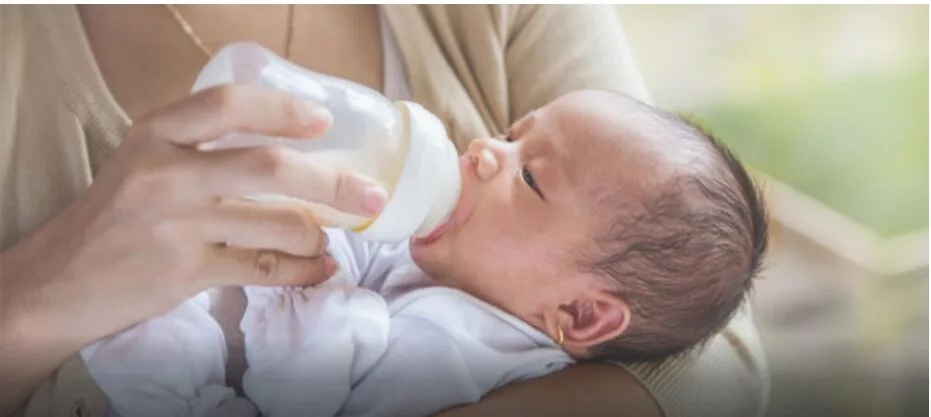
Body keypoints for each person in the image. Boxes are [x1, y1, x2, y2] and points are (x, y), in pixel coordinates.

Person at [0, 5, 769, 417]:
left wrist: (317, 287)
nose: (480, 151)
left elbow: (718, 367)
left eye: (528, 178)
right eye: (506, 132)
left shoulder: (472, 341)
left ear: (581, 315)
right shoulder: (459, 264)